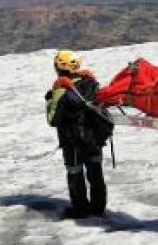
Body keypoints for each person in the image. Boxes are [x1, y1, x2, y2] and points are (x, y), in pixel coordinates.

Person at [45, 50, 112, 219]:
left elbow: (53, 119)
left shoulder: (61, 89)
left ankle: (80, 210)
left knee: (75, 173)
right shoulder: (91, 82)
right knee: (95, 172)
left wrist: (51, 99)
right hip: (94, 138)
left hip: (72, 141)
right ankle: (98, 209)